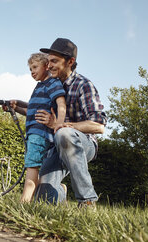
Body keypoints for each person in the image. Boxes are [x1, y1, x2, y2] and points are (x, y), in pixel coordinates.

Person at [33, 38, 107, 208]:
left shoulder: (83, 85)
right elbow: (39, 113)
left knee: (64, 133)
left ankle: (87, 200)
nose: (49, 65)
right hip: (58, 146)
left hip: (84, 143)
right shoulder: (51, 85)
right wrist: (17, 106)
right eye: (48, 60)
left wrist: (62, 125)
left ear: (70, 62)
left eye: (54, 61)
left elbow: (99, 126)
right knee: (43, 200)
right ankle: (61, 191)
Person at [6, 53, 66, 202]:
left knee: (32, 167)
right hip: (35, 133)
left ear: (46, 66)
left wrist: (59, 123)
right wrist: (15, 108)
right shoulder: (40, 86)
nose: (32, 71)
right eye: (30, 69)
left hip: (40, 134)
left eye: (35, 67)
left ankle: (24, 202)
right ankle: (61, 190)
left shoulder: (52, 83)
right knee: (38, 169)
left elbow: (61, 103)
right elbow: (31, 112)